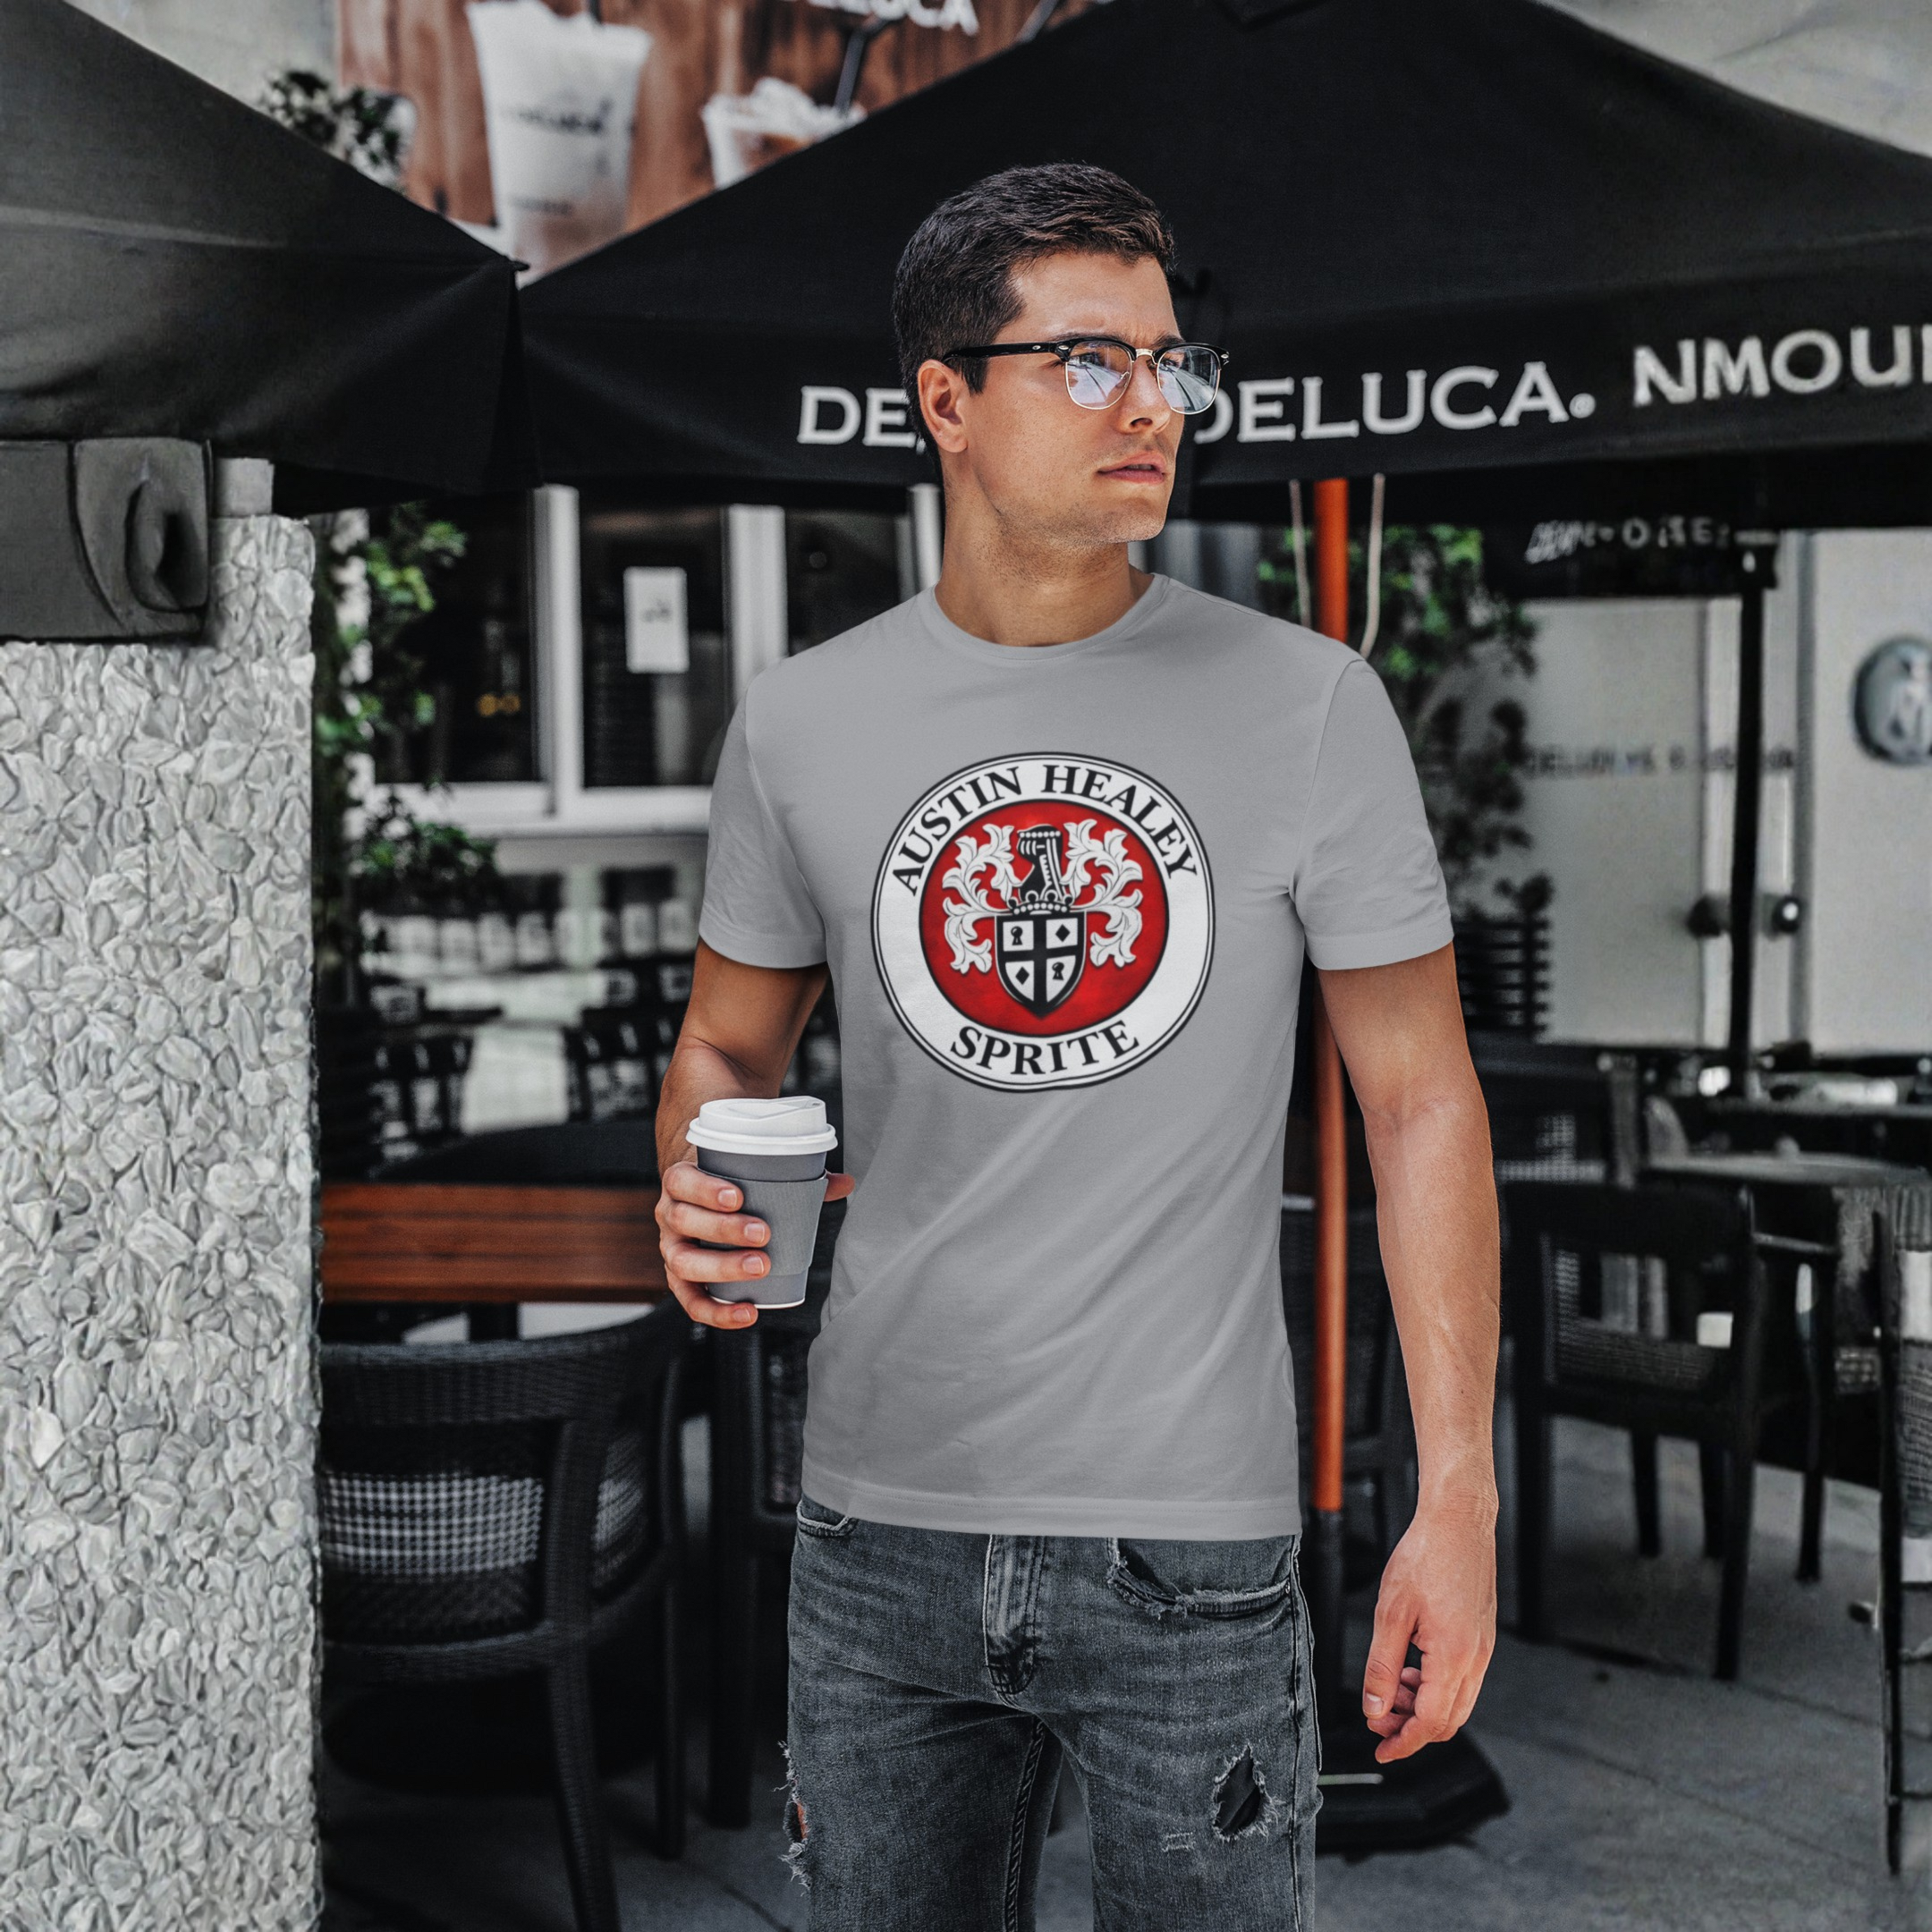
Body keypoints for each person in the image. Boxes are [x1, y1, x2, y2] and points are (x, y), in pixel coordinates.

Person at [655, 163, 1499, 1930]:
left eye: (1171, 363)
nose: (1154, 408)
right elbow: (726, 1052)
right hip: (879, 1526)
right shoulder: (803, 722)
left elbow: (1420, 1104)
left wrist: (1458, 1492)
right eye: (1091, 362)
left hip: (1189, 1540)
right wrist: (700, 1194)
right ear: (947, 403)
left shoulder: (1310, 704)